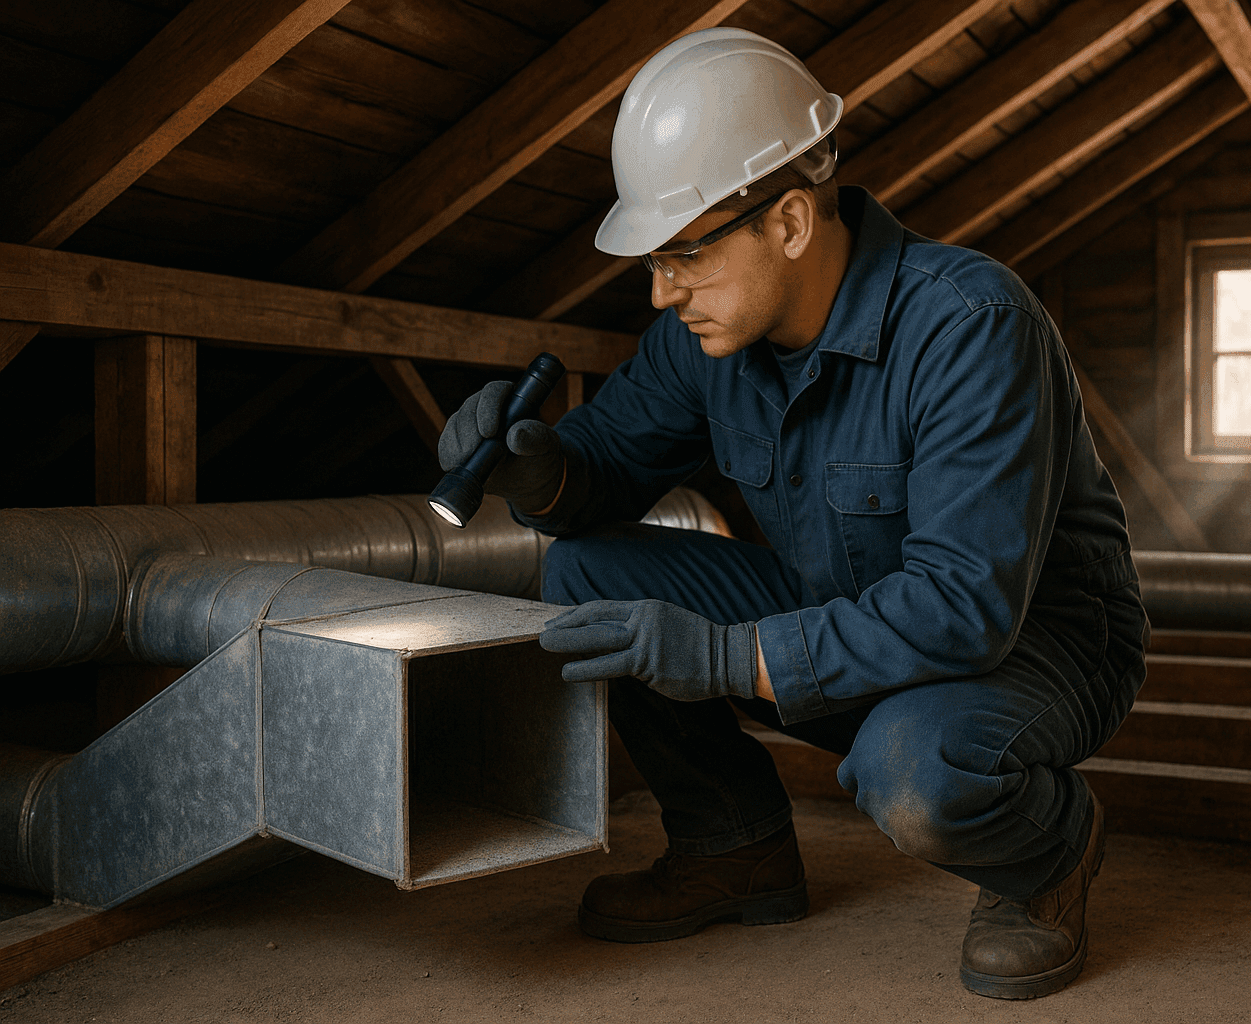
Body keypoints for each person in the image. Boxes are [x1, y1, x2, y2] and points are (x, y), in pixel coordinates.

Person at [438, 27, 1148, 1000]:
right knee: (587, 571)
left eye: (685, 251)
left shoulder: (970, 325)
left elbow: (963, 606)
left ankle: (1049, 854)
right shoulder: (706, 331)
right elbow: (599, 476)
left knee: (915, 768)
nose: (662, 288)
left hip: (1038, 645)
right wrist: (536, 470)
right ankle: (736, 844)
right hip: (841, 605)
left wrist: (726, 658)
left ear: (793, 222)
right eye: (655, 258)